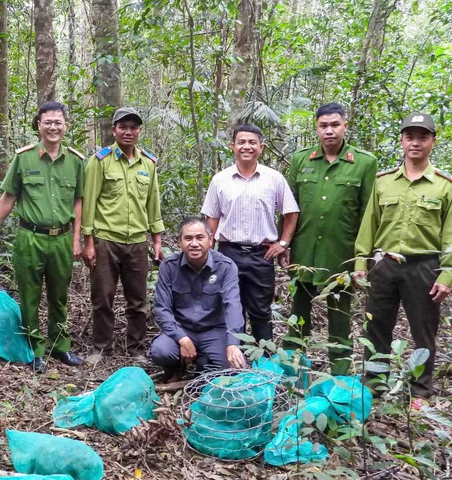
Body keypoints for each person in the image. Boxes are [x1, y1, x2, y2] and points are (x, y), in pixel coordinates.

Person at [354, 113, 452, 404]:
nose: (415, 143)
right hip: (384, 264)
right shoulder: (384, 182)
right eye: (409, 136)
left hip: (424, 266)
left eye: (422, 137)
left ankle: (420, 392)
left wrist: (448, 274)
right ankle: (374, 386)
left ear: (433, 142)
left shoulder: (446, 186)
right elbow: (369, 225)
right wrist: (361, 262)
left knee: (423, 332)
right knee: (376, 327)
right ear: (401, 140)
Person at [0, 102, 84, 372]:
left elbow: (79, 202)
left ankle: (60, 346)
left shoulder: (75, 161)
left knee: (59, 296)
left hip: (61, 238)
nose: (53, 127)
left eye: (58, 122)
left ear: (65, 126)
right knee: (30, 294)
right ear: (39, 125)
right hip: (30, 238)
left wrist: (76, 239)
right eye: (47, 122)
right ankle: (34, 349)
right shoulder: (24, 158)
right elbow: (9, 196)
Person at [282, 102, 377, 375]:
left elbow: (367, 214)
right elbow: (291, 208)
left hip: (341, 255)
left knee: (340, 317)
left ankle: (340, 376)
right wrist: (284, 244)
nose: (329, 131)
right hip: (304, 252)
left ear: (345, 126)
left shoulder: (364, 163)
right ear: (316, 128)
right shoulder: (301, 159)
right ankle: (292, 369)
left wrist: (362, 258)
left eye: (335, 124)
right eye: (324, 125)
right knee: (298, 314)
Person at [201, 124, 299, 343]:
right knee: (229, 305)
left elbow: (291, 212)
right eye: (241, 142)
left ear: (261, 147)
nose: (247, 146)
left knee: (261, 310)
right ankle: (233, 359)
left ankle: (264, 360)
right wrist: (209, 249)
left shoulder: (274, 179)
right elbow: (212, 218)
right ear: (232, 147)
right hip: (228, 252)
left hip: (261, 255)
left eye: (252, 142)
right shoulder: (220, 180)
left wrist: (283, 243)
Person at [81, 107, 165, 358]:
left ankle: (137, 349)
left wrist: (157, 240)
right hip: (106, 239)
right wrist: (89, 242)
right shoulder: (100, 161)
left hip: (138, 241)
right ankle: (101, 347)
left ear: (139, 131)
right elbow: (89, 202)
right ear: (114, 130)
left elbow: (153, 202)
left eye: (133, 127)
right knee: (103, 298)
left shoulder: (148, 164)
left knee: (138, 301)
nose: (128, 132)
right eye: (123, 127)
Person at [150, 217, 247, 376]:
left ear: (210, 240)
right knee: (161, 351)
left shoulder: (225, 267)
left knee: (231, 367)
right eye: (188, 238)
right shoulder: (169, 267)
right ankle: (176, 368)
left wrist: (233, 343)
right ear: (179, 241)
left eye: (199, 238)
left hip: (214, 330)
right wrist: (182, 338)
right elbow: (162, 309)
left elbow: (233, 306)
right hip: (182, 328)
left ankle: (201, 362)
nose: (194, 243)